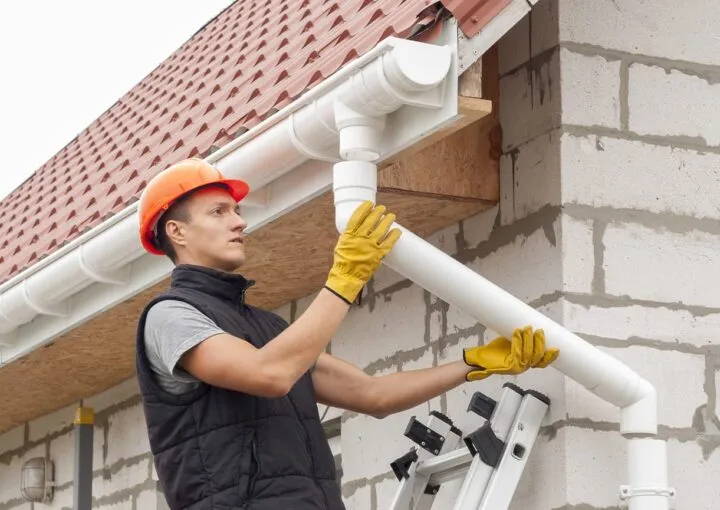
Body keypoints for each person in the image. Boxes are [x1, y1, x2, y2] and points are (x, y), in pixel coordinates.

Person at [134, 158, 559, 510]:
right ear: (177, 231)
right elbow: (270, 375)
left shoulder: (268, 329)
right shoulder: (171, 317)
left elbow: (372, 395)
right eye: (219, 212)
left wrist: (472, 364)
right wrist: (345, 280)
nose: (239, 222)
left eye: (237, 210)